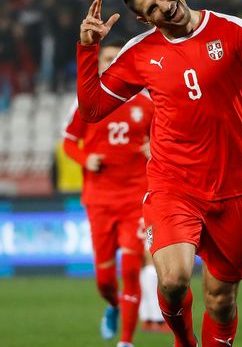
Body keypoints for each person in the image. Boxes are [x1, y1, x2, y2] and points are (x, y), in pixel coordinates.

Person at [75, 0, 242, 347]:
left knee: (220, 300)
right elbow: (93, 108)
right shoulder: (140, 52)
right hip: (174, 184)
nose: (166, 6)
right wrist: (87, 51)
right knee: (172, 280)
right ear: (144, 19)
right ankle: (184, 341)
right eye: (154, 7)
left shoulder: (233, 30)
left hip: (233, 185)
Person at [62, 40, 155, 347]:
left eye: (118, 58)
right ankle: (113, 305)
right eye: (108, 58)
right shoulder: (87, 105)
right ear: (100, 64)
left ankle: (126, 342)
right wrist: (84, 159)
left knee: (130, 270)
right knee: (104, 280)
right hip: (99, 201)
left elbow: (171, 139)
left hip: (134, 200)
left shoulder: (146, 105)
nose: (113, 62)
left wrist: (155, 148)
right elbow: (67, 144)